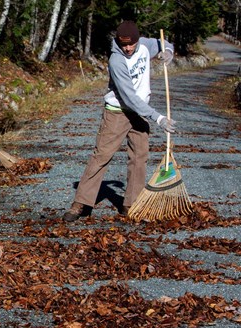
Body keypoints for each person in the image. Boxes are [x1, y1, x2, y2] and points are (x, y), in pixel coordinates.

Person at [63, 20, 176, 221]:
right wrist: (158, 118)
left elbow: (163, 43)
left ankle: (131, 204)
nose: (128, 48)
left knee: (139, 157)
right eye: (124, 45)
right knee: (102, 156)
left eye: (131, 44)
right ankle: (81, 203)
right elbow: (129, 97)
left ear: (137, 40)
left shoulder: (145, 45)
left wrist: (168, 51)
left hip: (139, 114)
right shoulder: (116, 60)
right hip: (118, 112)